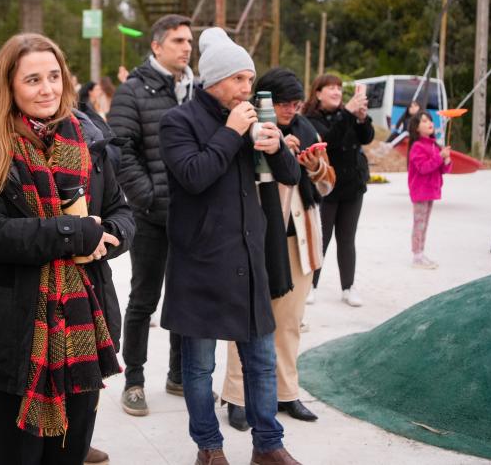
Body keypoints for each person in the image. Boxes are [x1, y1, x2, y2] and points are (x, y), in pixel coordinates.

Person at [0, 33, 134, 465]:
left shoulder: (90, 137)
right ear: (8, 85)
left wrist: (111, 235)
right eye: (32, 80)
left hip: (85, 328)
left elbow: (122, 212)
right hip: (11, 334)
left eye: (54, 76)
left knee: (69, 456)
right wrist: (76, 233)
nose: (47, 89)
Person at [159, 27, 302, 465]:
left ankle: (268, 444)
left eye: (249, 79)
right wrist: (230, 131)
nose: (247, 88)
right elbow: (194, 175)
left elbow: (291, 177)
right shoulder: (177, 121)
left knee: (260, 360)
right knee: (199, 368)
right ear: (214, 80)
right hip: (199, 262)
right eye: (239, 79)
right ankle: (209, 447)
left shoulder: (253, 116)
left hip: (248, 257)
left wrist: (278, 147)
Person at [221, 68, 335, 430]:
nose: (290, 110)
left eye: (296, 103)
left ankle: (287, 392)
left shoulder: (306, 129)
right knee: (248, 319)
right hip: (256, 235)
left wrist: (314, 164)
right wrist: (276, 153)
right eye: (283, 103)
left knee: (290, 322)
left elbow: (329, 184)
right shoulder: (249, 127)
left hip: (299, 239)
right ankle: (236, 397)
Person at [108, 14, 195, 416]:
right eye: (178, 41)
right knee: (144, 299)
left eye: (189, 41)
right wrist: (147, 195)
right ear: (157, 46)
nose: (186, 47)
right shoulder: (133, 90)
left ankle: (178, 375)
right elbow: (120, 150)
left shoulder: (196, 88)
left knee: (184, 297)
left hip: (192, 213)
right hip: (151, 215)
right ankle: (135, 380)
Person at [302, 74, 374, 307]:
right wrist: (348, 114)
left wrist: (362, 120)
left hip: (353, 186)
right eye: (330, 88)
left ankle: (348, 287)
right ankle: (311, 285)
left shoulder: (349, 114)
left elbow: (367, 138)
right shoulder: (310, 119)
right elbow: (327, 141)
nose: (336, 92)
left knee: (347, 238)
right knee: (321, 239)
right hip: (326, 187)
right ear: (318, 93)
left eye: (339, 89)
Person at [407, 111, 451, 269]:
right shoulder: (417, 146)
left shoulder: (434, 145)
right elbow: (424, 168)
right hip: (420, 191)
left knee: (425, 224)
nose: (429, 123)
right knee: (419, 223)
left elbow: (442, 170)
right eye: (424, 121)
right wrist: (440, 157)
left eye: (430, 120)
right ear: (417, 128)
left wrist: (446, 160)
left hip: (431, 190)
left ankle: (421, 253)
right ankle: (416, 256)